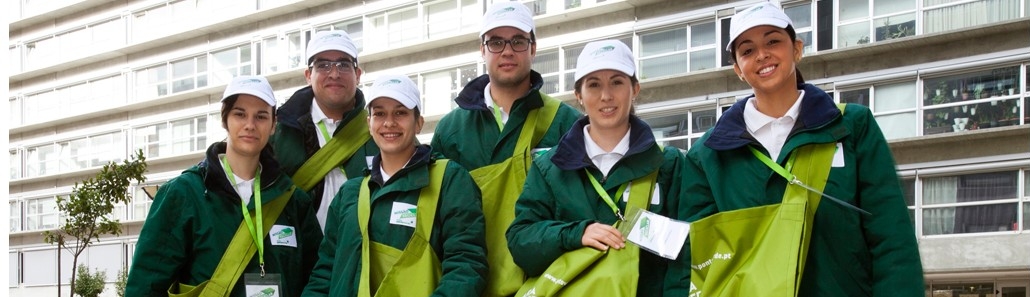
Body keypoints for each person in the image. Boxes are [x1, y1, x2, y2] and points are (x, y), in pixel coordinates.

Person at [667, 2, 924, 296]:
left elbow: (891, 237)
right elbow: (694, 255)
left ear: (797, 49)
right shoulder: (708, 153)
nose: (762, 55)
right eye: (747, 50)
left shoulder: (852, 126)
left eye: (773, 41)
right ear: (738, 69)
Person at [506, 39, 685, 296]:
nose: (606, 96)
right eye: (594, 84)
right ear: (578, 95)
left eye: (617, 82)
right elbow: (521, 243)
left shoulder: (668, 165)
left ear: (635, 88)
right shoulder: (550, 168)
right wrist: (575, 234)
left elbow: (686, 252)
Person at [430, 2, 581, 295]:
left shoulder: (567, 123)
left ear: (533, 48)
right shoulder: (450, 130)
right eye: (496, 42)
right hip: (472, 284)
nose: (507, 51)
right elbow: (437, 221)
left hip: (548, 283)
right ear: (482, 50)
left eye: (518, 41)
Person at [127, 76, 322, 296]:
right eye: (240, 114)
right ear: (224, 119)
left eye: (261, 116)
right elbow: (147, 283)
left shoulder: (293, 201)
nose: (250, 125)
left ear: (273, 125)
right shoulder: (183, 194)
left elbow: (318, 276)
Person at [303, 74, 488, 296]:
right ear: (368, 124)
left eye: (400, 112)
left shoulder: (449, 180)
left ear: (419, 122)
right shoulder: (350, 194)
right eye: (379, 113)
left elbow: (466, 264)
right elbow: (325, 274)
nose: (389, 122)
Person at [272, 30, 378, 232]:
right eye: (323, 65)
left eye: (344, 65)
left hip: (365, 256)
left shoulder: (382, 128)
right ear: (308, 75)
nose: (334, 74)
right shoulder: (278, 130)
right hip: (300, 258)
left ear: (358, 74)